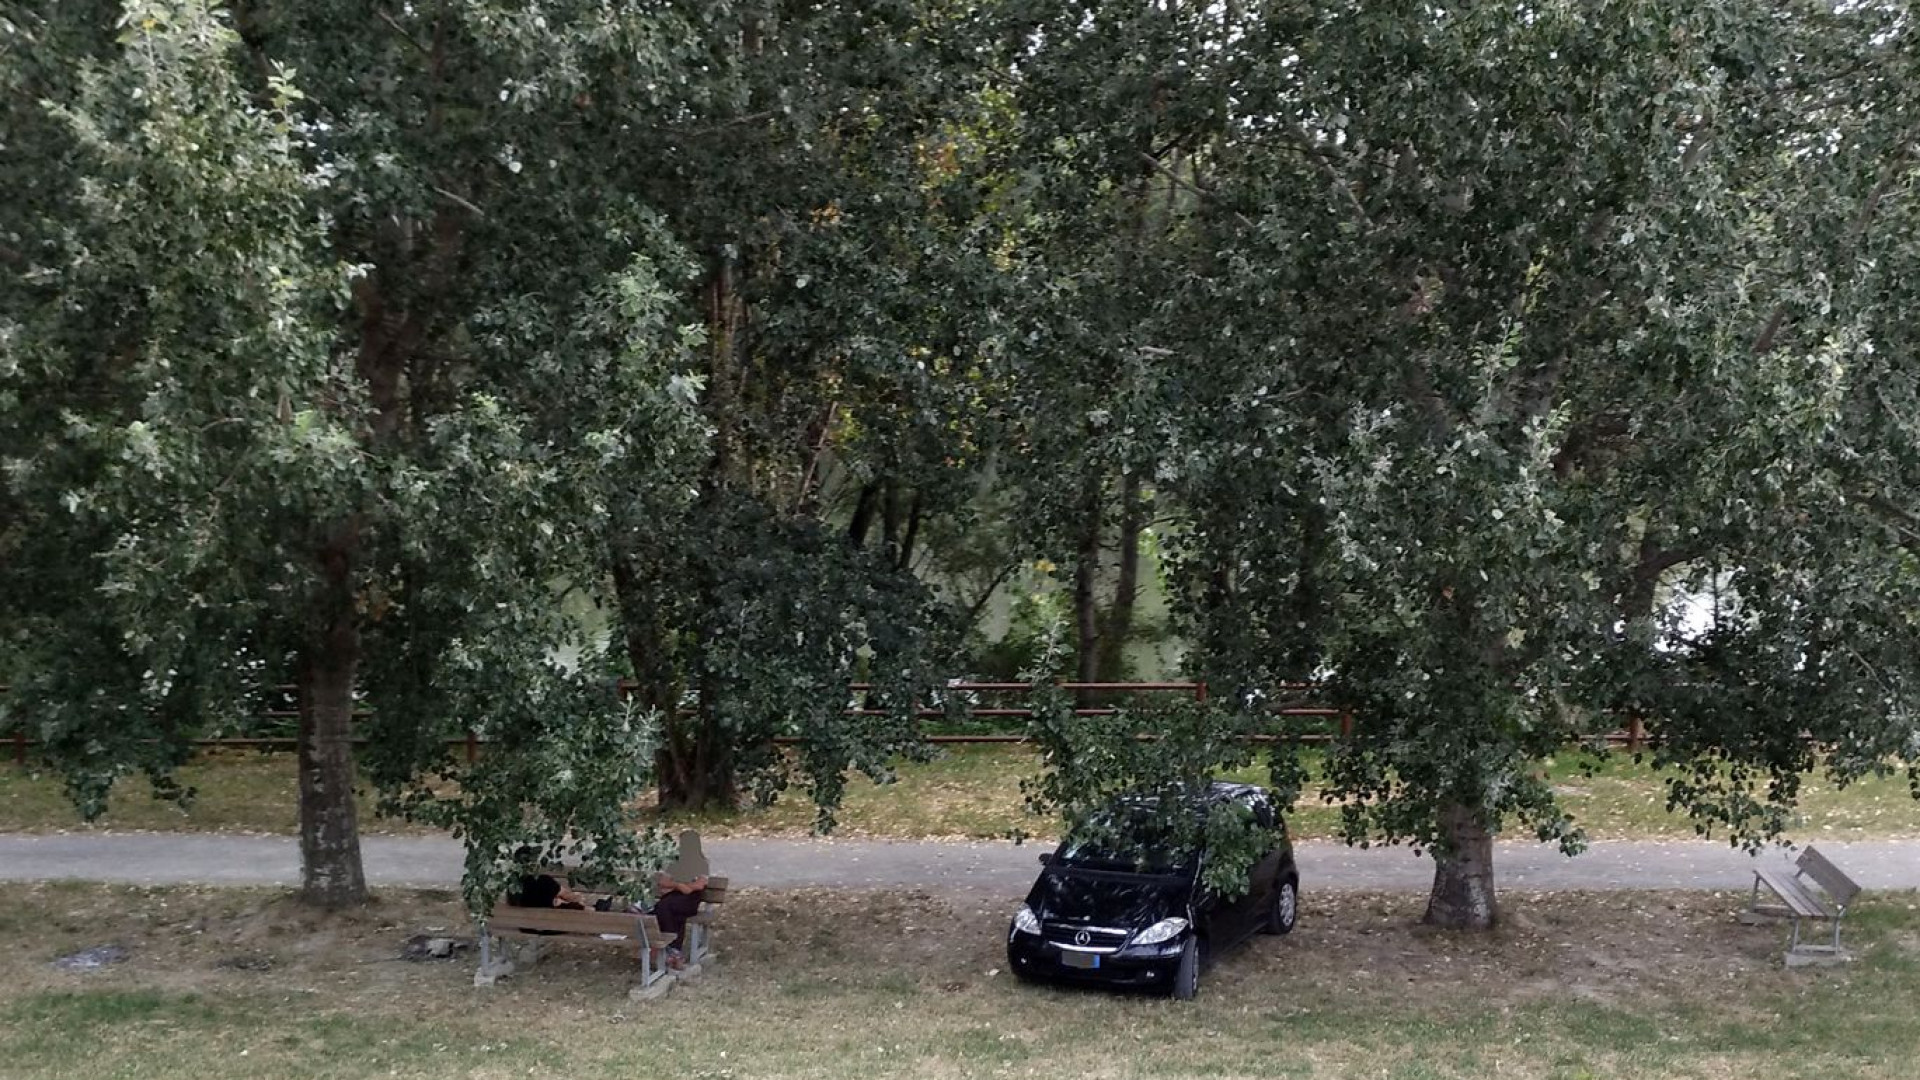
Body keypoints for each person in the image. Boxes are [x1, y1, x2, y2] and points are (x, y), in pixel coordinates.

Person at [650, 830, 709, 970]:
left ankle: (670, 948)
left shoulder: (701, 863)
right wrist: (678, 885)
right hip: (674, 897)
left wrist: (686, 887)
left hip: (690, 900)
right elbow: (663, 882)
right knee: (668, 909)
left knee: (663, 908)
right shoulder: (675, 862)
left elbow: (700, 884)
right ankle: (674, 951)